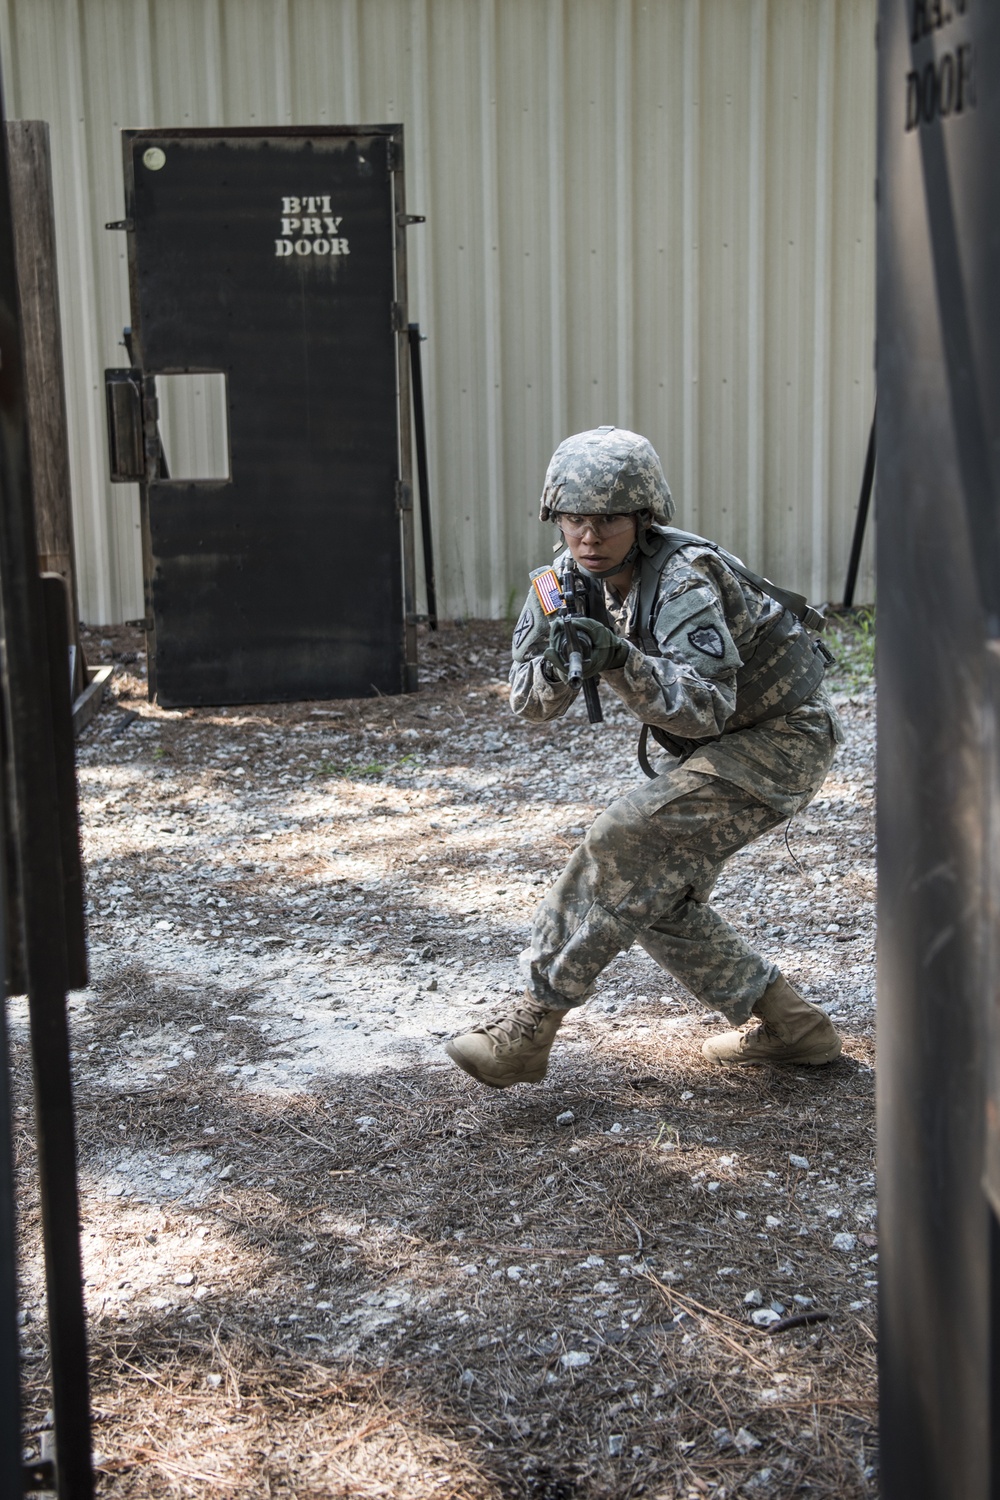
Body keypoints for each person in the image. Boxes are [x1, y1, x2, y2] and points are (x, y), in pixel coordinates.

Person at [445, 425, 844, 1089]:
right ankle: (795, 1029)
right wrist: (563, 661)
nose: (589, 538)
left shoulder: (683, 582)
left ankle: (531, 1025)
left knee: (623, 841)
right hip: (714, 746)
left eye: (607, 522)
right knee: (655, 898)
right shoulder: (562, 584)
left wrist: (620, 659)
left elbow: (706, 706)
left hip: (780, 737)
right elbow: (528, 702)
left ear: (642, 519)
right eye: (575, 520)